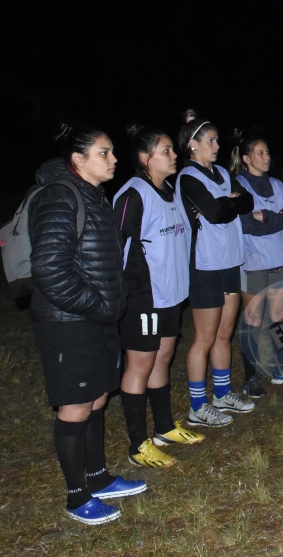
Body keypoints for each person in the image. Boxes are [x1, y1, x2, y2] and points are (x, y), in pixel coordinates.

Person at [30, 127, 146, 524]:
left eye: (112, 152)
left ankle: (98, 477)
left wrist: (115, 300)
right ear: (78, 159)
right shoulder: (60, 196)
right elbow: (49, 267)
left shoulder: (93, 196)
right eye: (104, 153)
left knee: (97, 398)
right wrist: (96, 304)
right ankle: (76, 496)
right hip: (69, 322)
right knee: (76, 405)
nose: (114, 159)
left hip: (97, 318)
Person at [112, 126, 204, 468]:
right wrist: (123, 293)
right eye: (165, 150)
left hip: (170, 294)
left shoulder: (170, 191)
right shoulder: (133, 195)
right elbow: (116, 246)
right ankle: (138, 445)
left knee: (163, 357)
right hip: (143, 297)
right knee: (141, 364)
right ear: (145, 158)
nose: (174, 155)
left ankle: (164, 428)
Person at [178, 111, 256, 427]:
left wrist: (228, 202)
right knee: (205, 338)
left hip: (230, 262)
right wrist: (229, 202)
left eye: (217, 140)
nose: (217, 145)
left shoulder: (223, 172)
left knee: (225, 333)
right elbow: (214, 213)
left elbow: (248, 202)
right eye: (210, 140)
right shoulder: (188, 177)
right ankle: (197, 406)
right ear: (193, 145)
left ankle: (222, 395)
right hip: (206, 266)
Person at [231, 133, 283, 396]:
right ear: (246, 159)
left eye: (267, 151)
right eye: (260, 152)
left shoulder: (278, 185)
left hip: (282, 258)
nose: (266, 156)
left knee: (280, 316)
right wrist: (275, 219)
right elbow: (246, 225)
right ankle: (251, 377)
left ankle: (281, 370)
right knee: (254, 320)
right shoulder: (238, 186)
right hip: (254, 261)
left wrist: (267, 216)